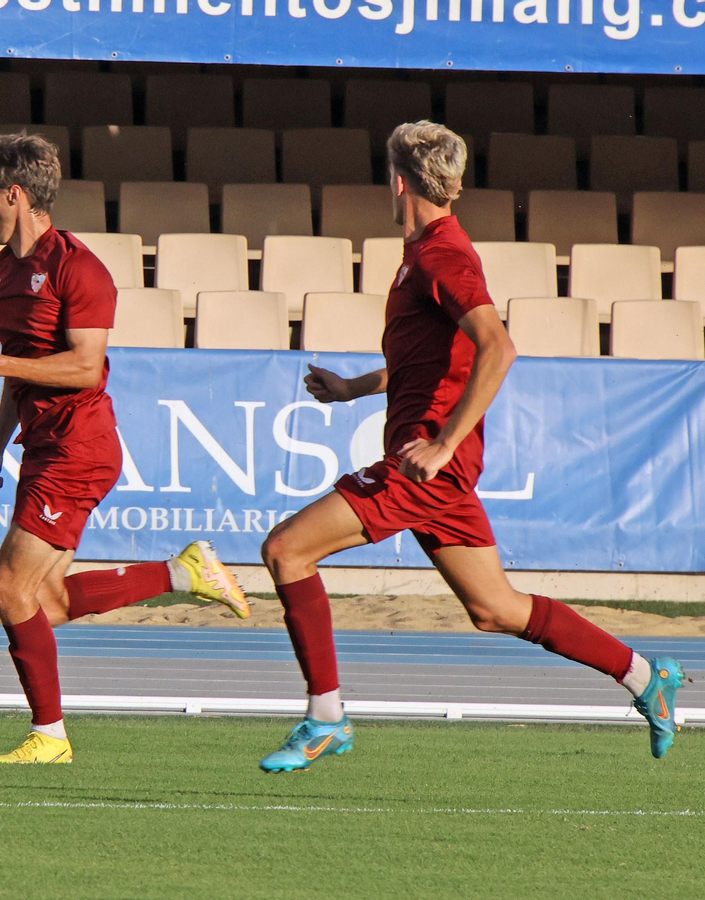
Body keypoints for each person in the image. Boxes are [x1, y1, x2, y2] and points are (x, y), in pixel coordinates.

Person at [255, 121, 684, 772]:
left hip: (423, 467)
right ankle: (645, 678)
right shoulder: (421, 253)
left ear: (397, 182)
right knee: (494, 609)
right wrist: (354, 389)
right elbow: (433, 363)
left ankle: (326, 717)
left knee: (286, 550)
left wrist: (446, 442)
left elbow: (498, 347)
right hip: (434, 470)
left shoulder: (440, 255)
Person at [0, 134, 249, 765]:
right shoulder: (1, 271)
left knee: (6, 589)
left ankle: (49, 736)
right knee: (42, 602)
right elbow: (23, 369)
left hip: (79, 449)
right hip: (41, 447)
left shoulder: (78, 269)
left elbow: (84, 368)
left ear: (16, 194)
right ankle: (184, 572)